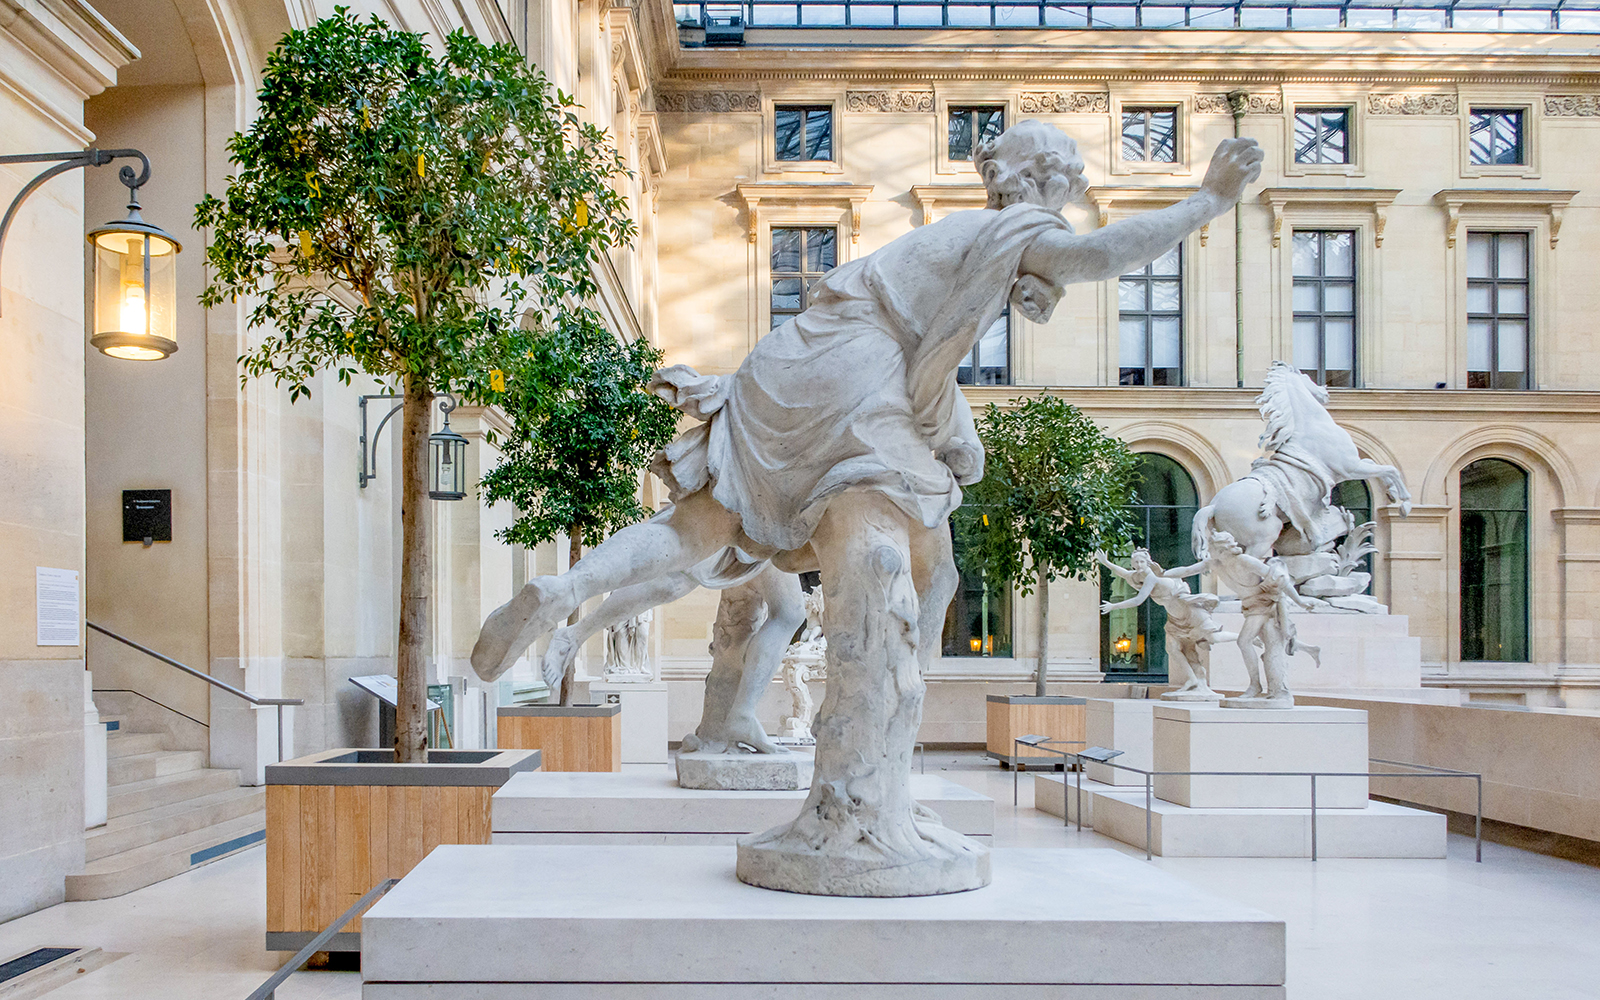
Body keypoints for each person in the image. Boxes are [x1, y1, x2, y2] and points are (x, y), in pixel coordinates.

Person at [470, 123, 1265, 691]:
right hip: (857, 370)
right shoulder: (1014, 226)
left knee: (700, 526)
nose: (1072, 199)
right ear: (1041, 180)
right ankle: (894, 710)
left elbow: (934, 373)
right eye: (1070, 184)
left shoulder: (953, 236)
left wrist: (954, 434)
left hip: (791, 357)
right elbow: (1097, 255)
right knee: (937, 558)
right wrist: (1209, 200)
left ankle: (566, 590)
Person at [1096, 549, 1233, 700]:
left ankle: (1245, 638)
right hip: (1175, 617)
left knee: (1213, 637)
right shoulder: (1137, 576)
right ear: (1132, 563)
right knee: (1173, 648)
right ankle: (1193, 680)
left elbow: (1138, 600)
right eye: (1136, 562)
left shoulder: (1151, 577)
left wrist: (1113, 606)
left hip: (1189, 611)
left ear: (1148, 562)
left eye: (1142, 562)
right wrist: (1106, 563)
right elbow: (1123, 573)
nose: (1139, 565)